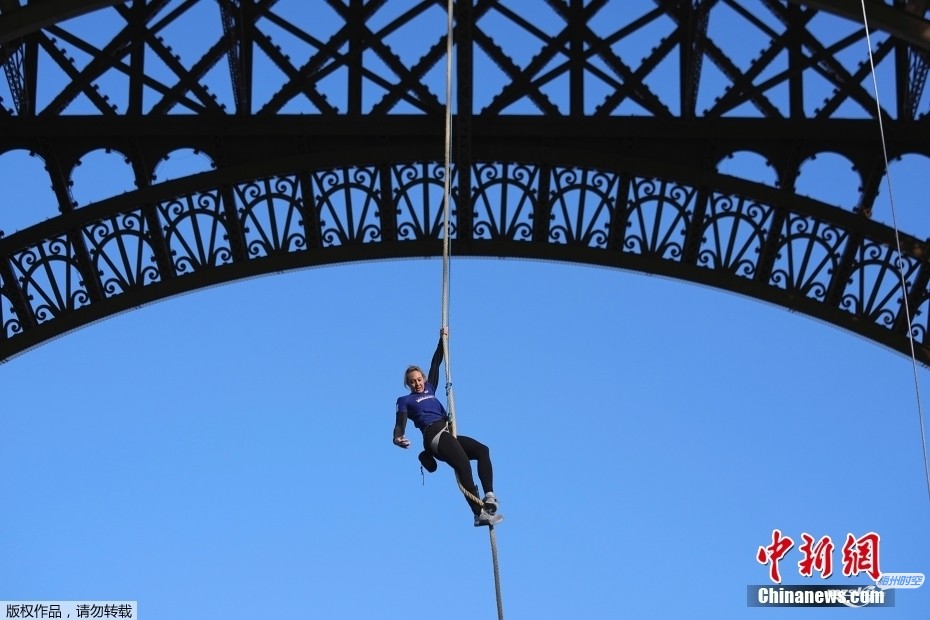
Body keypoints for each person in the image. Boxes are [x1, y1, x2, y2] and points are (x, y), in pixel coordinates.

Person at [393, 329, 504, 527]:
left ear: (423, 379)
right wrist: (397, 437)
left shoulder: (430, 388)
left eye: (419, 379)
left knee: (482, 450)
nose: (417, 383)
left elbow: (436, 363)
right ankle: (478, 514)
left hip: (447, 433)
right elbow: (399, 423)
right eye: (412, 381)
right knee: (463, 464)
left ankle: (489, 495)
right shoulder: (405, 400)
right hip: (434, 435)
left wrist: (442, 340)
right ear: (407, 384)